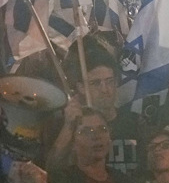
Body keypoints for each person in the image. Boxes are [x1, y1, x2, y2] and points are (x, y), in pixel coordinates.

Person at [50, 37, 143, 175]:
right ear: (81, 87)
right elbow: (52, 167)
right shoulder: (71, 125)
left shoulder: (135, 122)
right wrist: (69, 126)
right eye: (96, 83)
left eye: (109, 81)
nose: (105, 89)